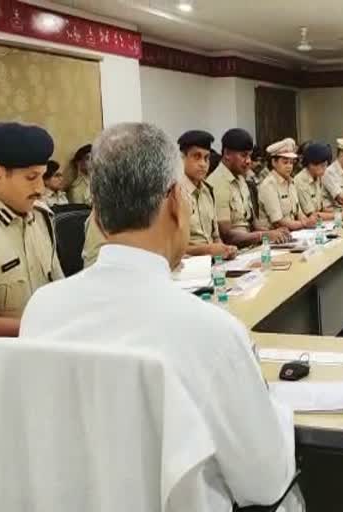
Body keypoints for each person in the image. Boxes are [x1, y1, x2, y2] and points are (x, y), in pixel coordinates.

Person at [19, 123, 297, 508]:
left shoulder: (42, 310)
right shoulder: (212, 332)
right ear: (174, 203)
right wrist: (277, 407)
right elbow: (265, 483)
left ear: (96, 216)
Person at [0, 122, 63, 336]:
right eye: (31, 178)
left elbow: (58, 286)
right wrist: (49, 328)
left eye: (42, 176)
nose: (40, 189)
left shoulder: (41, 216)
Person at [207, 128, 288, 248]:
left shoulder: (241, 178)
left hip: (250, 248)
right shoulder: (218, 183)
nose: (248, 161)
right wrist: (263, 235)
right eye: (243, 155)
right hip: (234, 253)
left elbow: (252, 224)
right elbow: (226, 235)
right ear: (227, 154)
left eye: (250, 156)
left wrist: (275, 232)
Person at [178, 130, 237, 260]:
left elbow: (216, 237)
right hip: (188, 268)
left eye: (206, 158)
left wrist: (225, 249)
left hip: (213, 263)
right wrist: (207, 250)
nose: (203, 164)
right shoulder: (174, 194)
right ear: (182, 158)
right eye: (196, 157)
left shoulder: (208, 191)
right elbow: (172, 249)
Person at [258, 138, 316, 231]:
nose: (289, 166)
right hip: (275, 237)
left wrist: (308, 220)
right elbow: (278, 222)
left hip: (295, 232)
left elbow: (298, 212)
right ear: (274, 162)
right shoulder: (269, 185)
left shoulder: (291, 182)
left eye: (291, 162)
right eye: (285, 162)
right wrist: (304, 224)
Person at [295, 142, 337, 221]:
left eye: (326, 165)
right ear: (311, 164)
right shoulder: (300, 181)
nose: (325, 169)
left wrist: (341, 211)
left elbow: (321, 209)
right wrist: (338, 215)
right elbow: (312, 214)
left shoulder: (317, 177)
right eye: (322, 165)